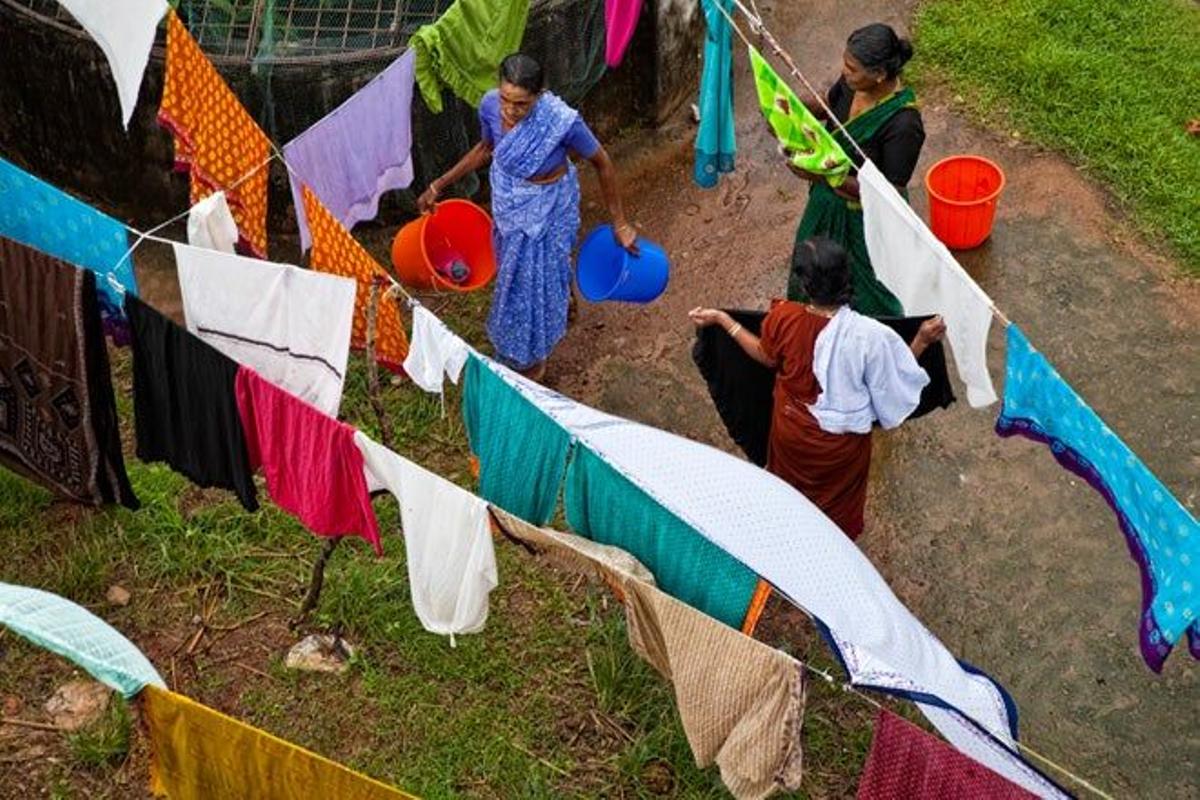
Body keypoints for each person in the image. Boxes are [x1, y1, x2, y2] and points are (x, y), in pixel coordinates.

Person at [689, 237, 945, 540]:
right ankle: (834, 552)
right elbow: (892, 384)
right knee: (836, 518)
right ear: (847, 279)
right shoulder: (869, 336)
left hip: (791, 435)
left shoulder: (784, 319)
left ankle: (792, 542)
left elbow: (765, 356)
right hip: (840, 451)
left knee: (791, 501)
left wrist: (724, 319)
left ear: (806, 285)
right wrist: (922, 340)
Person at [417, 53, 636, 382]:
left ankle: (531, 359)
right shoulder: (490, 106)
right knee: (514, 275)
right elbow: (485, 148)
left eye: (520, 104)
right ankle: (536, 323)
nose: (509, 110)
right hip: (509, 200)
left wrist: (620, 222)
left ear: (539, 95)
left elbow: (603, 162)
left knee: (534, 282)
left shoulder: (562, 121)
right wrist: (439, 184)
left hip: (548, 208)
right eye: (506, 99)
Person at [784, 23, 925, 317]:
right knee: (810, 268)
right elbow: (828, 105)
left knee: (870, 288)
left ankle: (878, 343)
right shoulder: (853, 83)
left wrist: (822, 174)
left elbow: (890, 195)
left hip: (866, 219)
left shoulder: (904, 125)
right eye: (845, 64)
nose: (845, 71)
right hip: (826, 202)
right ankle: (810, 326)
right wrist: (788, 107)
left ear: (879, 75)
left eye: (852, 68)